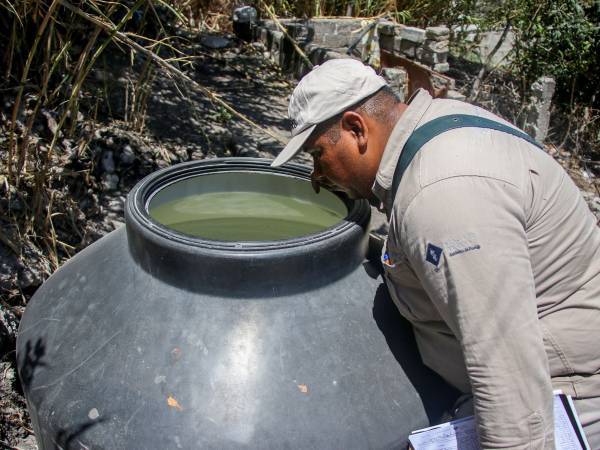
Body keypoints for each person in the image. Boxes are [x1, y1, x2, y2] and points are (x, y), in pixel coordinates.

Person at [271, 58, 600, 449]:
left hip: (559, 399)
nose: (316, 176)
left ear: (356, 128)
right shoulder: (438, 124)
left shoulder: (441, 196)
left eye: (317, 153)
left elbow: (507, 378)